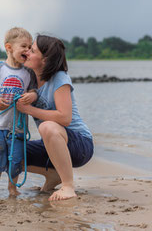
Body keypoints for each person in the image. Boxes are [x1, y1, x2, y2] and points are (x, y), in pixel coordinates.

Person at [16, 34, 94, 201]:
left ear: (45, 59)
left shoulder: (59, 78)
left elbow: (64, 118)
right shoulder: (28, 79)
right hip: (53, 144)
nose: (27, 52)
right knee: (10, 151)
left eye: (32, 50)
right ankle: (53, 175)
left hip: (80, 145)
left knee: (47, 127)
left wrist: (29, 109)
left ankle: (68, 186)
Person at [0, 27, 38, 198]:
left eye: (30, 47)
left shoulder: (28, 71)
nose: (28, 51)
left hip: (19, 126)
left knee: (16, 160)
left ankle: (12, 189)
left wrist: (31, 96)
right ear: (9, 47)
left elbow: (35, 91)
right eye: (24, 46)